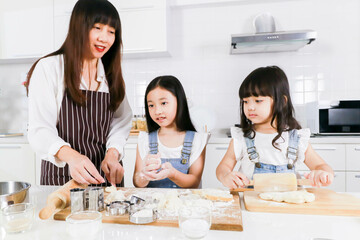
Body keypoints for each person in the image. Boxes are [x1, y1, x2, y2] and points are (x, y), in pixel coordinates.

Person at [26, 0, 132, 186]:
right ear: (79, 27)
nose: (104, 38)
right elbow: (39, 129)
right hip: (62, 180)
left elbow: (121, 121)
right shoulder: (50, 68)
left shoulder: (110, 75)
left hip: (104, 180)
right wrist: (72, 157)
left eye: (111, 31)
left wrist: (113, 153)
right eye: (97, 27)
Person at [216, 66, 334, 189]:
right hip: (250, 204)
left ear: (282, 101)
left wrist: (323, 173)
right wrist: (225, 176)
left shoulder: (296, 138)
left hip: (289, 205)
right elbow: (223, 168)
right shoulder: (242, 137)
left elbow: (321, 165)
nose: (250, 107)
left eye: (258, 100)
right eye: (245, 101)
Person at [133, 76, 209, 188]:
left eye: (163, 103)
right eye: (151, 105)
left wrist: (172, 173)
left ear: (180, 102)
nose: (157, 111)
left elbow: (194, 182)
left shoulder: (197, 140)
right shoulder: (145, 139)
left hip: (187, 204)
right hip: (152, 204)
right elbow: (137, 182)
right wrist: (143, 176)